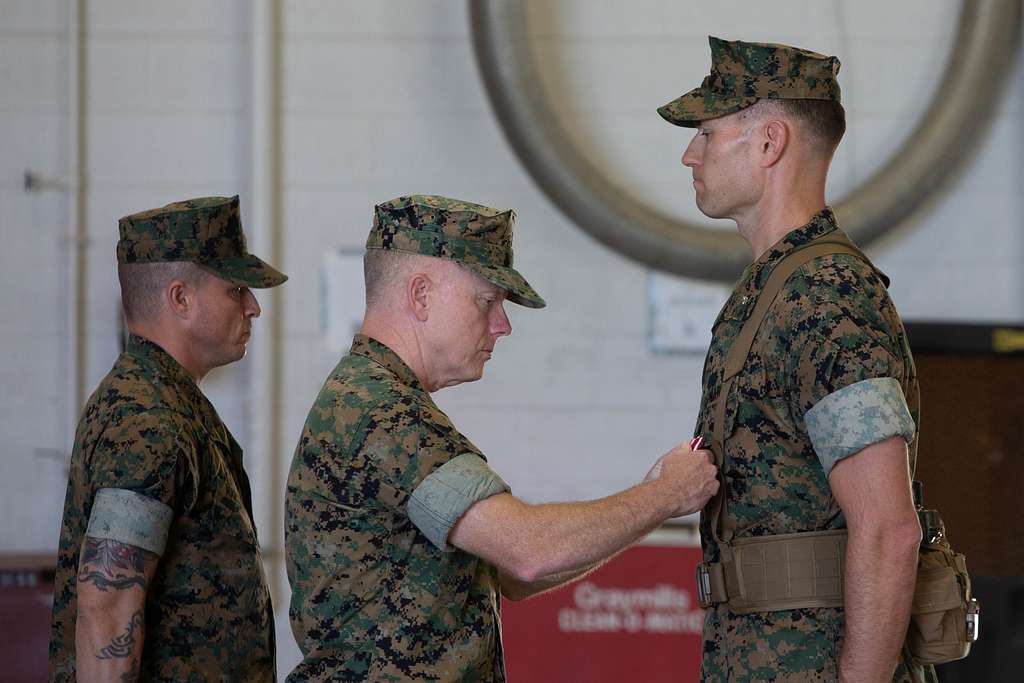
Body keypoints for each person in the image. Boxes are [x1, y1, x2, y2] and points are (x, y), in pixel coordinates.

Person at [284, 194, 719, 682]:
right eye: (487, 301)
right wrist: (664, 496)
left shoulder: (375, 400)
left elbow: (510, 574)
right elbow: (526, 551)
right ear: (420, 295)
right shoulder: (380, 412)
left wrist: (650, 499)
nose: (502, 325)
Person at [657, 37, 933, 682]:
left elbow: (889, 527)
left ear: (769, 142)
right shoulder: (774, 288)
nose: (689, 154)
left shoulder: (824, 292)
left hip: (812, 661)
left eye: (707, 133)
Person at [48, 196, 286, 682]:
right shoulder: (147, 418)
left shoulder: (167, 401)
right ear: (181, 299)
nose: (253, 307)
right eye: (237, 289)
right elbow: (107, 610)